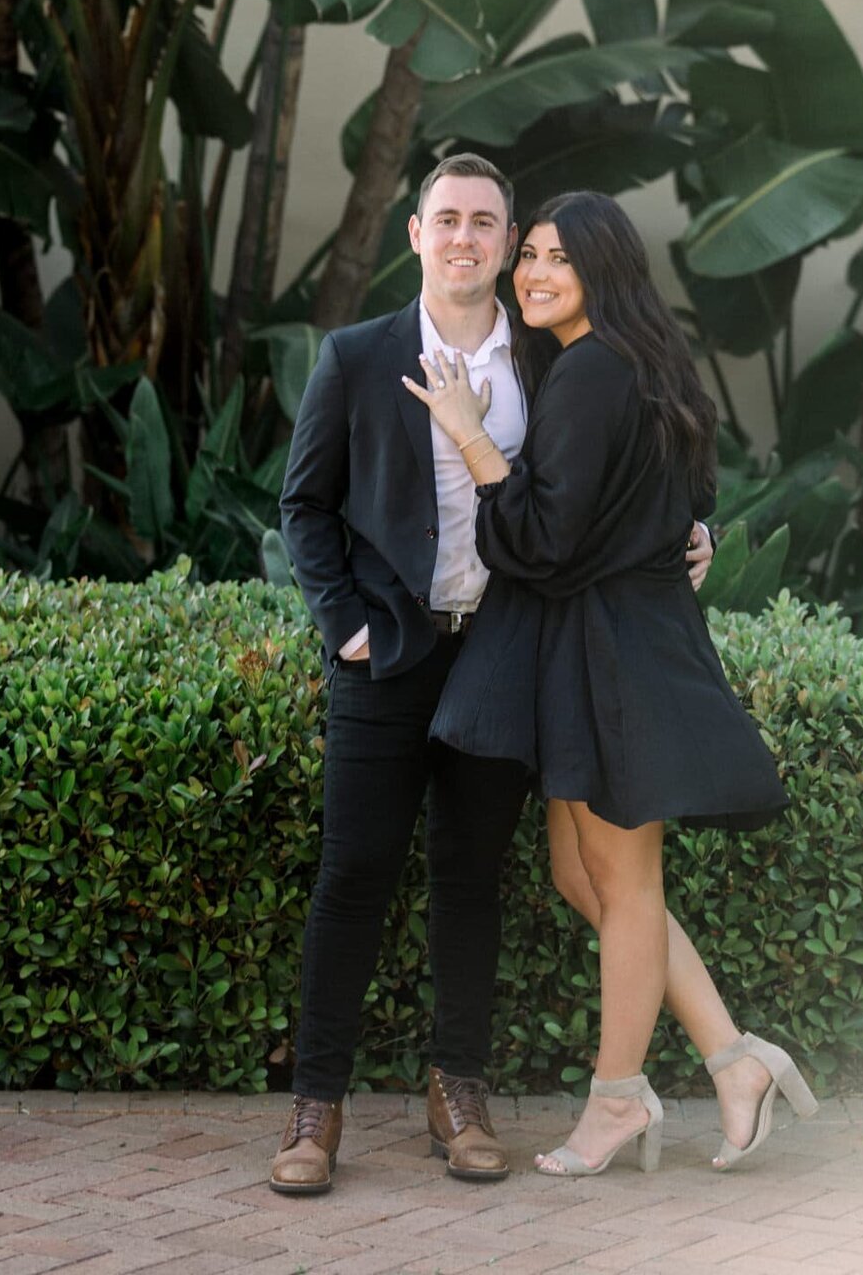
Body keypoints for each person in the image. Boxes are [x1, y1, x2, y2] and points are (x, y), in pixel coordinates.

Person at [273, 156, 715, 1195]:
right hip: (388, 658)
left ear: (509, 241)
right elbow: (304, 507)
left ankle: (457, 1095)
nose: (468, 238)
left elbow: (655, 450)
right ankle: (314, 1109)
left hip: (508, 656)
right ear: (417, 235)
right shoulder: (355, 355)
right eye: (448, 220)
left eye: (488, 223)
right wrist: (345, 625)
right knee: (352, 879)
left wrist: (699, 525)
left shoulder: (556, 361)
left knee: (471, 881)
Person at [403, 190, 817, 1180]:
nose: (535, 272)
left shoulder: (590, 373)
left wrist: (468, 433)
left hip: (610, 653)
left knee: (623, 884)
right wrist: (693, 531)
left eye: (559, 259)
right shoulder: (633, 365)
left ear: (603, 271)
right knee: (581, 876)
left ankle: (618, 1097)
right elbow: (682, 496)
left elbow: (540, 540)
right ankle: (734, 1058)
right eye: (530, 255)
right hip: (610, 642)